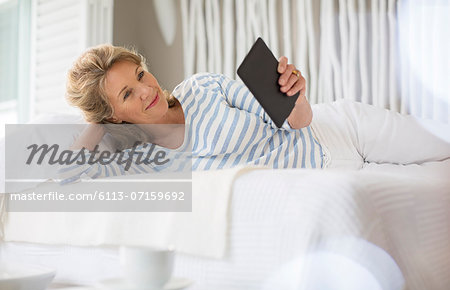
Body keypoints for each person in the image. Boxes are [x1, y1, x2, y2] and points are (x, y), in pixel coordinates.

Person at [62, 44, 449, 183]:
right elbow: (69, 177)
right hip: (330, 180)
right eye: (128, 93)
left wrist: (294, 94)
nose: (147, 89)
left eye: (140, 74)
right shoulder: (148, 162)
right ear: (112, 116)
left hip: (340, 131)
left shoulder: (201, 88)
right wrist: (96, 121)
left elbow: (298, 120)